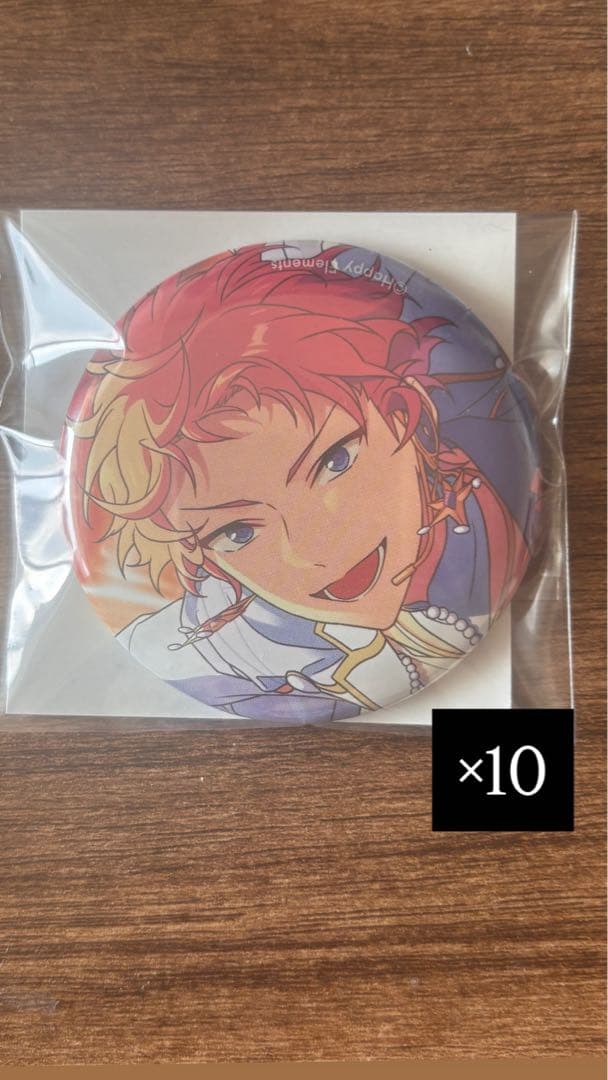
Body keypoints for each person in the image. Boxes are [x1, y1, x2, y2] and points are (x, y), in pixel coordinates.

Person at [66, 241, 536, 722]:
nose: (315, 548)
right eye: (238, 532)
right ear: (203, 556)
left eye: (335, 462)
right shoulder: (207, 661)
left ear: (400, 414)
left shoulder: (491, 512)